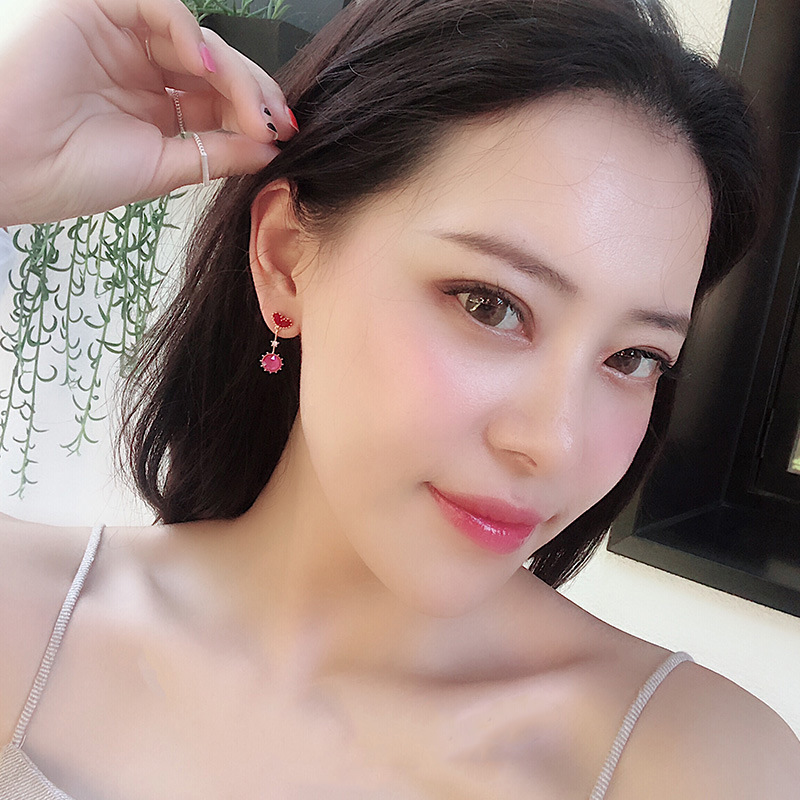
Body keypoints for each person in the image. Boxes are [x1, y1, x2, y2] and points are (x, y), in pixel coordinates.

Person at [0, 0, 798, 797]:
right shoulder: (22, 619)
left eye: (633, 358)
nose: (553, 442)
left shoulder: (703, 765)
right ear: (285, 259)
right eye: (491, 305)